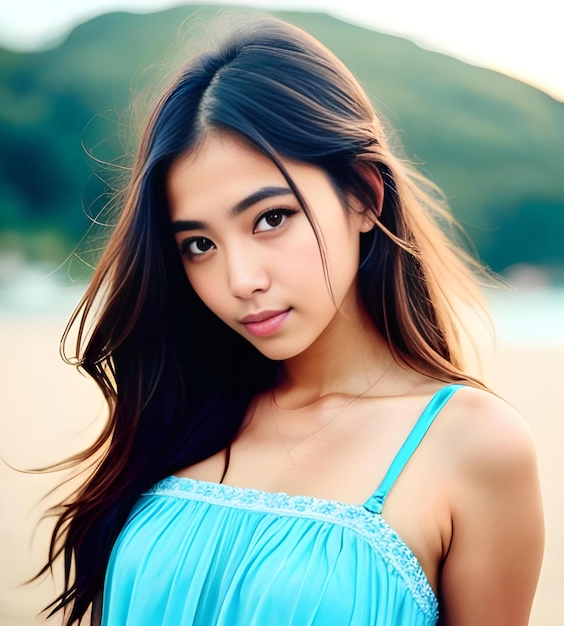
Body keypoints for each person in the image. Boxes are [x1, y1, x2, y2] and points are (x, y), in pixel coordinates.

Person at [41, 13, 544, 626]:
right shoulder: (183, 410)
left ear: (363, 195)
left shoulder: (471, 444)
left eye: (271, 218)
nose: (240, 280)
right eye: (199, 244)